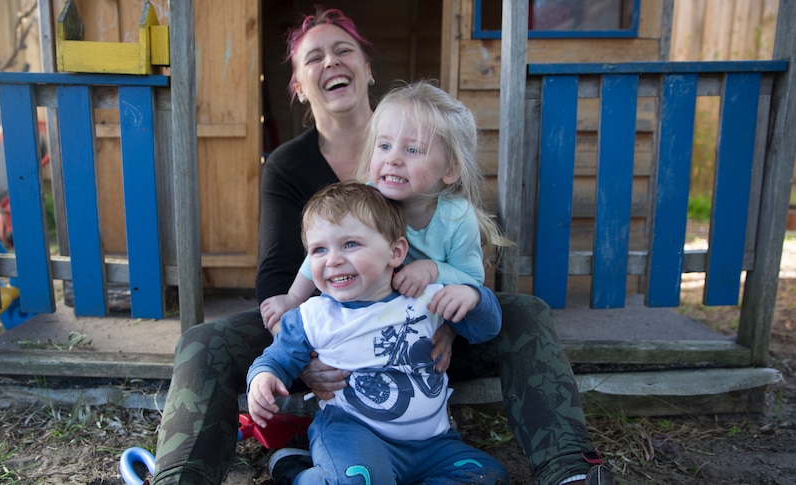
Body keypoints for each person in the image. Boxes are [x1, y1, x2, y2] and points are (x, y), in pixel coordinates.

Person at [151, 7, 614, 485]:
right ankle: (180, 477)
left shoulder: (428, 138)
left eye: (343, 49)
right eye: (314, 58)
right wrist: (310, 355)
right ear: (298, 85)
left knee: (523, 311)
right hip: (330, 333)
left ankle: (569, 470)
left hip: (422, 339)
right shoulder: (289, 165)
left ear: (368, 69)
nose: (330, 61)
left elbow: (469, 272)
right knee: (203, 341)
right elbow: (278, 279)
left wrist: (450, 323)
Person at [247, 181, 509, 484]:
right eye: (319, 249)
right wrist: (263, 378)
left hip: (434, 443)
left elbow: (486, 329)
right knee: (361, 479)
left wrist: (473, 298)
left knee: (487, 475)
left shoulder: (427, 298)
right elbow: (277, 358)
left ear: (395, 252)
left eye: (350, 244)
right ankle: (297, 476)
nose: (332, 260)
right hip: (353, 435)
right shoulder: (313, 316)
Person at [259, 80, 504, 334]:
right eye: (384, 146)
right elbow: (323, 249)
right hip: (363, 312)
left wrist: (431, 270)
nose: (393, 159)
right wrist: (294, 299)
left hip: (423, 320)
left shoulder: (457, 217)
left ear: (450, 169)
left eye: (412, 149)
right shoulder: (364, 200)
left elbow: (472, 281)